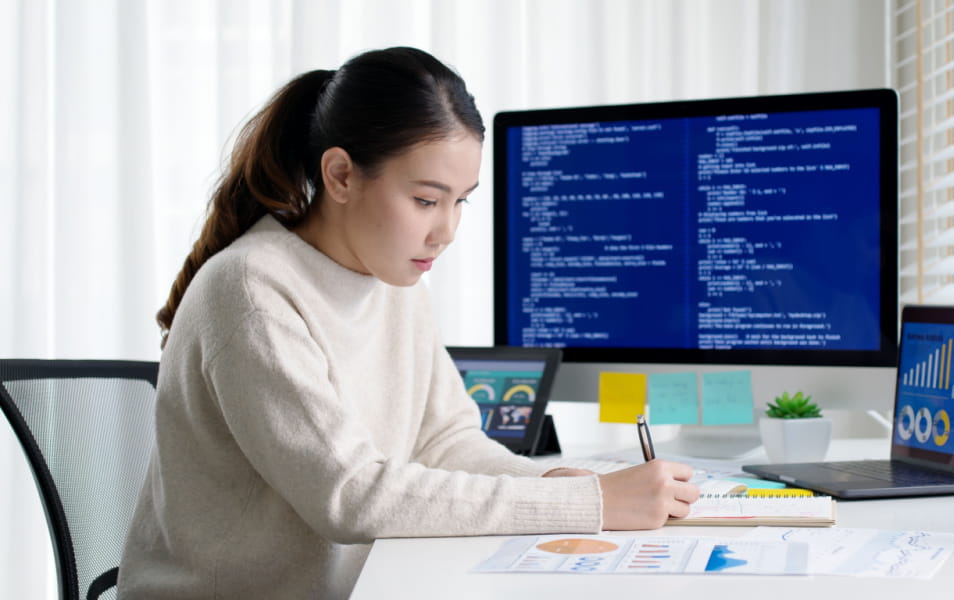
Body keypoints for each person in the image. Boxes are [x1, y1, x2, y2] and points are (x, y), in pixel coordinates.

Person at [118, 47, 700, 599]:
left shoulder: (392, 275)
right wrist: (591, 503)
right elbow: (349, 496)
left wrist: (554, 487)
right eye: (426, 200)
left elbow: (443, 439)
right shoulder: (251, 290)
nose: (446, 231)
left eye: (461, 201)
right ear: (342, 175)